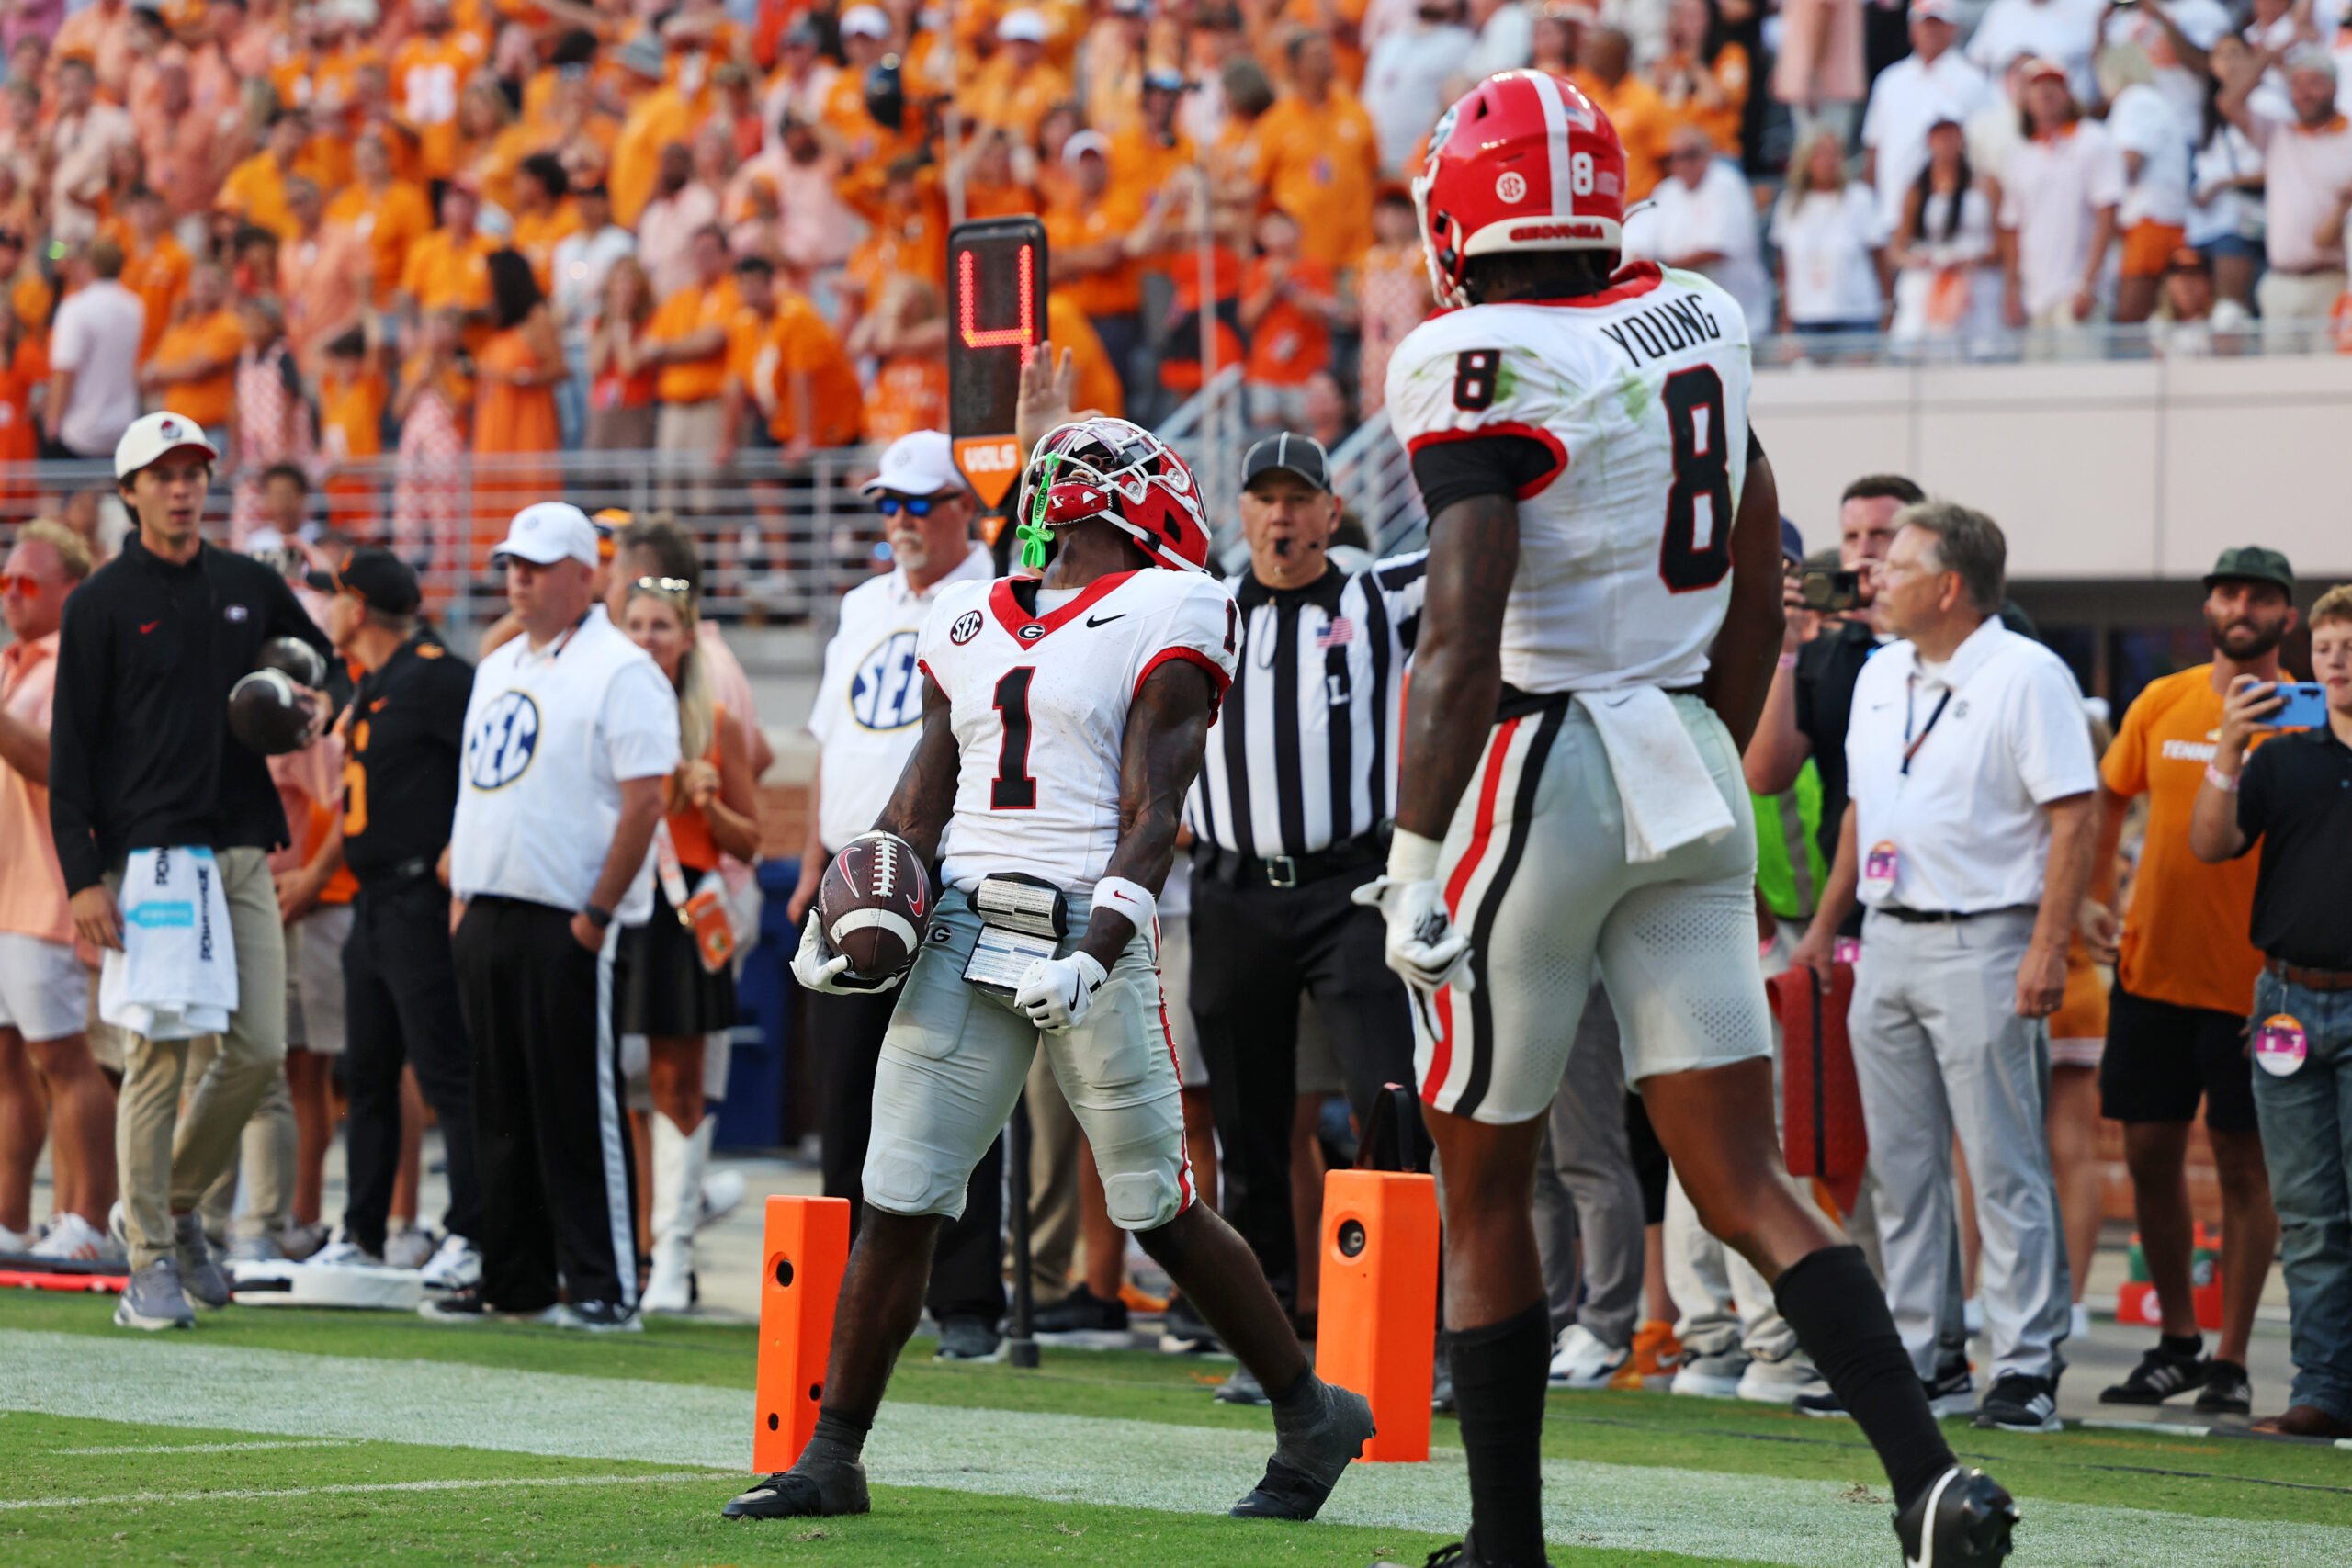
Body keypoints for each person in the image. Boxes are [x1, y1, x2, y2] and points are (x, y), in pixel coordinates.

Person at [1371, 72, 2012, 1568]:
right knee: (1745, 1176)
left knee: (1482, 1180)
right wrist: (1709, 746)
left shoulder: (1471, 349)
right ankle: (1928, 1481)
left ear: (1468, 212)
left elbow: (1461, 631)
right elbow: (1754, 538)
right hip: (1680, 759)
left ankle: (1503, 1542)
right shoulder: (1700, 316)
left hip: (1537, 760)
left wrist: (1410, 852)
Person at [728, 416, 1374, 1524]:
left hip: (1090, 926)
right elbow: (921, 799)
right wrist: (845, 909)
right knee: (899, 1193)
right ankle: (833, 1456)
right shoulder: (969, 614)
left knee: (1153, 1204)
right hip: (965, 926)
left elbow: (1154, 811)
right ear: (1110, 495)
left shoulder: (1174, 607)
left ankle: (1311, 1408)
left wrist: (1097, 951)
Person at [1791, 502, 2096, 1435]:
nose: (1876, 576)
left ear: (1950, 586)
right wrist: (1823, 929)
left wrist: (2047, 945)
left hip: (1985, 935)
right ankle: (1926, 1357)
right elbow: (1861, 814)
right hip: (1885, 937)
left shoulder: (2025, 673)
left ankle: (2027, 1363)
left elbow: (2073, 815)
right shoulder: (1882, 672)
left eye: (1900, 563)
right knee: (1901, 1165)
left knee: (2001, 1160)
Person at [51, 412, 331, 1330]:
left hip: (242, 847)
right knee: (157, 1060)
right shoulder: (96, 602)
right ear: (129, 491)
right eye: (163, 474)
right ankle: (149, 1266)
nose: (183, 488)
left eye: (195, 472)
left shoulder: (248, 584)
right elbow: (72, 755)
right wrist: (84, 877)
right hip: (151, 860)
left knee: (255, 1052)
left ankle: (169, 1208)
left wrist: (318, 701)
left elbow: (322, 667)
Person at [1182, 431, 1425, 1377]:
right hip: (1234, 890)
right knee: (1245, 1123)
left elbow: (1478, 544)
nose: (1282, 517)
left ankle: (1407, 1331)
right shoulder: (1203, 608)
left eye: (1299, 499)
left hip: (1348, 888)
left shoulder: (1374, 596)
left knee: (1386, 1103)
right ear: (1239, 514)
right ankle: (1268, 1341)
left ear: (1331, 510)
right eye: (1265, 499)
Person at [433, 502, 678, 1331]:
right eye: (511, 562)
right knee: (497, 1104)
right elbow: (479, 789)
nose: (518, 577)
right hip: (491, 908)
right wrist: (463, 895)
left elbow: (648, 799)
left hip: (568, 914)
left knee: (578, 1104)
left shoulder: (621, 667)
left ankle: (603, 1280)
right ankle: (516, 1273)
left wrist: (596, 913)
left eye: (536, 564)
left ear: (587, 573)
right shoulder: (500, 663)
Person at [786, 429, 1003, 1359]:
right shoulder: (862, 604)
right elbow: (834, 743)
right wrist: (808, 862)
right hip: (850, 869)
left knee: (953, 1085)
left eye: (918, 504)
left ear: (964, 506)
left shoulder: (996, 596)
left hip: (949, 867)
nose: (901, 521)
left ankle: (965, 1303)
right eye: (889, 504)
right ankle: (850, 1291)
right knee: (844, 1091)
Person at [2088, 547, 2296, 1417]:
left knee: (2248, 1169)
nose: (2239, 605)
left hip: (2257, 987)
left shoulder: (2310, 716)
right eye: (2227, 591)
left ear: (2286, 616)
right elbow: (2106, 798)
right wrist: (2092, 899)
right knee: (2147, 1158)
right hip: (2151, 971)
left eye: (2258, 596)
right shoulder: (2161, 699)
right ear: (2208, 603)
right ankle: (2177, 1341)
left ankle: (2235, 1358)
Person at [2188, 582, 2352, 1438]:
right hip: (2287, 999)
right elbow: (2209, 843)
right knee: (2311, 1214)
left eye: (2350, 647)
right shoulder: (2282, 758)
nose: (2336, 662)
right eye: (2326, 648)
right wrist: (2227, 747)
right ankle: (2322, 1390)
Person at [309, 547, 484, 1291]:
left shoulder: (440, 675)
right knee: (369, 1072)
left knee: (446, 1071)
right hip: (371, 899)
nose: (327, 610)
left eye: (334, 596)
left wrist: (458, 855)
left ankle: (474, 1230)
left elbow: (486, 764)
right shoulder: (374, 678)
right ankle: (362, 1232)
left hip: (419, 896)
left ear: (357, 606)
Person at [613, 573, 762, 1314]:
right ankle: (627, 1246)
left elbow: (751, 836)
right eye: (634, 623)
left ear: (686, 634)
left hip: (682, 910)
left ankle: (670, 1254)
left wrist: (704, 795)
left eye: (661, 625)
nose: (647, 637)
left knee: (676, 1086)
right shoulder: (601, 702)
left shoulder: (715, 719)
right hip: (617, 898)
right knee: (618, 1087)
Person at [0, 521, 114, 1261]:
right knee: (8, 1063)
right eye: (7, 582)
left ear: (72, 590)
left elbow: (63, 770)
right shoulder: (14, 664)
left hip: (47, 891)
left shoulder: (77, 662)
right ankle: (11, 1219)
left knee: (64, 1058)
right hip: (7, 891)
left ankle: (90, 1220)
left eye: (30, 582)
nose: (13, 594)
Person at [2218, 41, 2352, 352]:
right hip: (2280, 282)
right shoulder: (2278, 135)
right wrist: (2272, 50)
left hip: (2331, 281)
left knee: (2329, 385)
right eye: (2297, 84)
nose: (2305, 93)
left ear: (2334, 86)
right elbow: (2229, 102)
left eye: (2315, 82)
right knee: (2278, 388)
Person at [1999, 57, 2123, 344]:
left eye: (2054, 85)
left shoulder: (2093, 141)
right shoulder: (2020, 157)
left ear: (2068, 94)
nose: (2045, 93)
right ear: (2025, 99)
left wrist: (2088, 285)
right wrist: (2012, 293)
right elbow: (2012, 229)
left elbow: (2107, 214)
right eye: (2037, 86)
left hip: (2077, 293)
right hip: (2036, 297)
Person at [1860, 0, 1992, 243]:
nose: (1931, 32)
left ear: (1953, 28)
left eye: (1938, 24)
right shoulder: (1890, 81)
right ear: (1912, 29)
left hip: (1949, 223)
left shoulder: (1973, 82)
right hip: (1893, 215)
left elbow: (1982, 151)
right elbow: (1874, 148)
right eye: (1924, 25)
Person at [1624, 125, 1772, 328]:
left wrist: (1662, 267)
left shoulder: (1726, 183)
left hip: (1735, 311)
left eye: (1690, 154)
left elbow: (1718, 249)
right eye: (1675, 157)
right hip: (1691, 313)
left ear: (1708, 154)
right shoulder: (1666, 191)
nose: (1683, 163)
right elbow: (1642, 242)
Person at [1771, 127, 1883, 337]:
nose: (1828, 160)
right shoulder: (1790, 204)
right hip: (1805, 315)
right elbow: (1783, 267)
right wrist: (1784, 316)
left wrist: (1887, 307)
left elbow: (1879, 258)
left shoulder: (1860, 198)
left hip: (1857, 313)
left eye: (1834, 153)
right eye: (1820, 153)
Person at [45, 237, 144, 461]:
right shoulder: (135, 306)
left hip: (81, 428)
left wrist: (53, 419)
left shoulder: (75, 308)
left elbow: (65, 370)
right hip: (123, 422)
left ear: (88, 266)